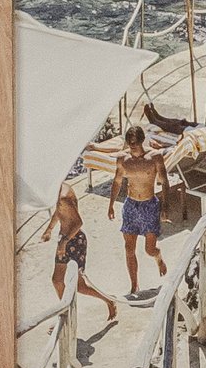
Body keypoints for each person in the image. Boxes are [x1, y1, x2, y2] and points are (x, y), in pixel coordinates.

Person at [45, 180, 119, 347]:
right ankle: (65, 315)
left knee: (79, 286)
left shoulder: (63, 196)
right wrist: (49, 229)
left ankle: (108, 301)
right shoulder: (59, 191)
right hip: (64, 239)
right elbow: (60, 213)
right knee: (57, 281)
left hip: (73, 241)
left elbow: (78, 223)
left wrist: (64, 242)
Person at [109, 123, 170, 297]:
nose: (132, 146)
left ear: (142, 141)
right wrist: (111, 204)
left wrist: (165, 207)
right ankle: (134, 285)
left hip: (149, 205)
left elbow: (164, 182)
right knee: (129, 249)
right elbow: (117, 182)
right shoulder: (123, 159)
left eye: (135, 142)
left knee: (149, 249)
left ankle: (158, 258)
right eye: (129, 142)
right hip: (131, 206)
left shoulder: (155, 157)